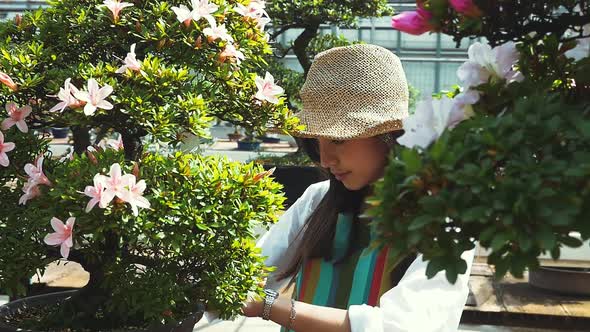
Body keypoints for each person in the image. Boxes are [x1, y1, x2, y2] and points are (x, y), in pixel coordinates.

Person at [240, 44, 474, 332]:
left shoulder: (441, 217)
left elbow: (403, 326)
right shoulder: (319, 200)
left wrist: (268, 306)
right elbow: (252, 268)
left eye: (338, 139)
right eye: (316, 142)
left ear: (387, 135)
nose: (325, 159)